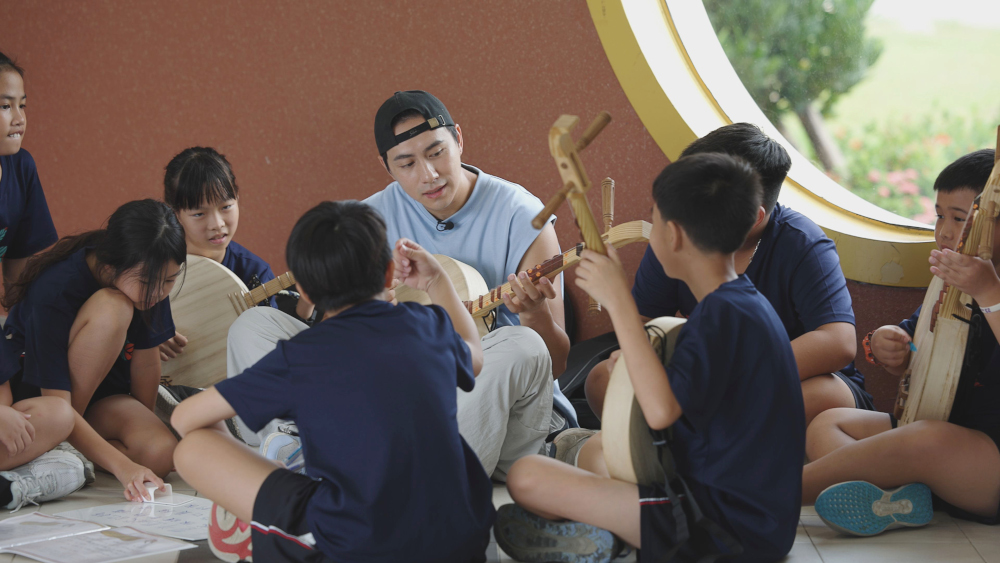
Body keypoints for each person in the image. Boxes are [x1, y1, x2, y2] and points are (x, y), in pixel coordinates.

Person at [226, 91, 563, 479]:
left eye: (436, 152)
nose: (428, 175)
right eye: (406, 164)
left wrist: (535, 314)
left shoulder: (524, 217)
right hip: (388, 397)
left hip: (481, 403)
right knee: (254, 326)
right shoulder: (368, 219)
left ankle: (402, 472)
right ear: (387, 167)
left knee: (524, 344)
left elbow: (555, 363)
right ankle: (300, 449)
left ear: (458, 139)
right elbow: (331, 333)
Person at [494, 154, 805, 562]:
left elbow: (660, 413)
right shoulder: (743, 305)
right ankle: (608, 532)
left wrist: (618, 299)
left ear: (673, 235)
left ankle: (616, 539)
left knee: (526, 476)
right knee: (593, 453)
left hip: (722, 529)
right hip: (759, 521)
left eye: (654, 221)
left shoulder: (720, 316)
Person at [172, 201, 496, 563]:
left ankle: (261, 521)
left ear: (305, 293)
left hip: (356, 548)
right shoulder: (427, 324)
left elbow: (185, 420)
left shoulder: (300, 356)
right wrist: (436, 280)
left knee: (191, 448)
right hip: (463, 541)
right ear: (388, 274)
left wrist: (245, 474)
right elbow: (475, 355)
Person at [583, 123, 861, 428]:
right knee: (603, 379)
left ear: (752, 216)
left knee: (823, 397)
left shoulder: (802, 243)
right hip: (701, 377)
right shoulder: (676, 234)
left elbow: (839, 342)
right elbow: (645, 320)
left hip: (782, 378)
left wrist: (731, 378)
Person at [804, 149, 1000, 536]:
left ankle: (771, 495)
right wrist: (890, 345)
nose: (945, 231)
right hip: (929, 432)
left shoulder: (982, 285)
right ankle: (896, 500)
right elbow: (916, 345)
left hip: (984, 462)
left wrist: (989, 292)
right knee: (828, 424)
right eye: (939, 215)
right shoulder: (951, 283)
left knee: (927, 439)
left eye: (960, 219)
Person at [2, 199, 184, 502]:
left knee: (160, 454)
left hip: (98, 400)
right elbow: (58, 404)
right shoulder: (55, 289)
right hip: (46, 402)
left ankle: (70, 454)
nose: (158, 293)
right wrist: (124, 466)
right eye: (149, 282)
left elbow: (146, 362)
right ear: (110, 267)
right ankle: (59, 448)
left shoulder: (150, 277)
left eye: (169, 281)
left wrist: (140, 421)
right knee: (114, 308)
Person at [159, 147, 312, 363]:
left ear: (238, 199)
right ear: (175, 213)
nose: (217, 224)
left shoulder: (253, 272)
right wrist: (147, 333)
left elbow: (271, 352)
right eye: (199, 213)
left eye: (226, 206)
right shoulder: (152, 263)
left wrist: (307, 303)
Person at [0, 51, 58, 292]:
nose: (19, 118)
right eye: (5, 106)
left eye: (21, 105)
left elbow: (18, 281)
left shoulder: (21, 167)